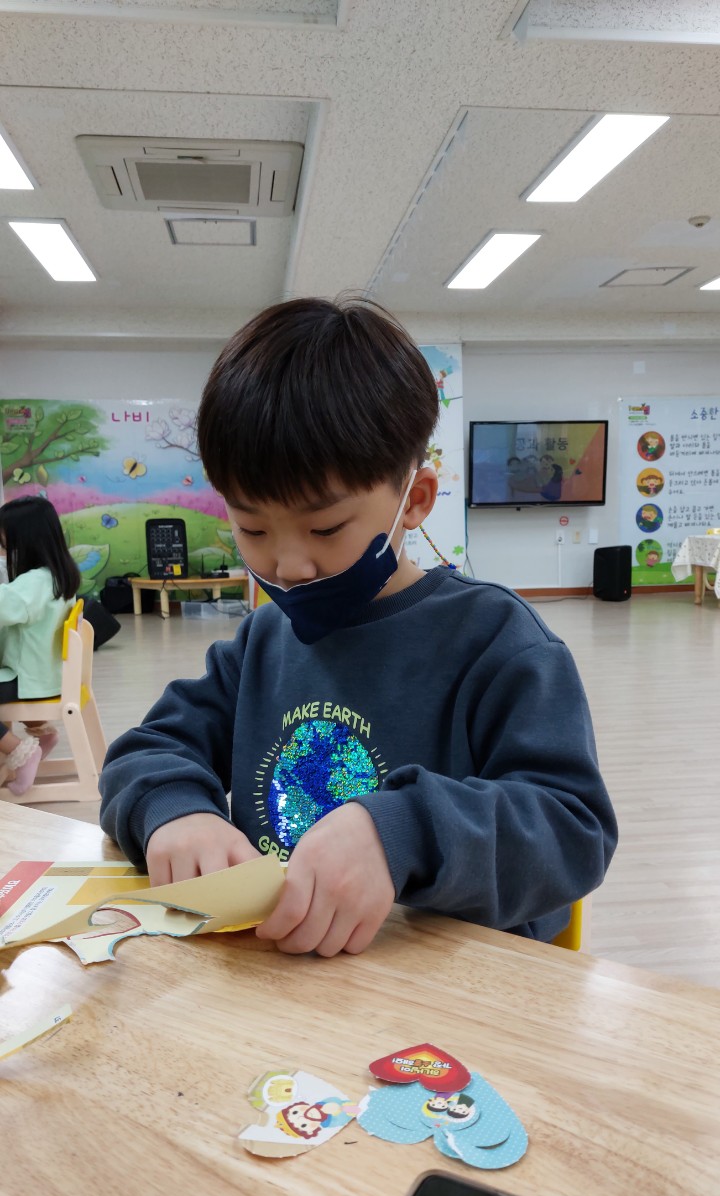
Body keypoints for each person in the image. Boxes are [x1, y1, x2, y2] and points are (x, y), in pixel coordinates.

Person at [99, 297, 617, 956]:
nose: (287, 566)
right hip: (278, 982)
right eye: (252, 528)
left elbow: (572, 831)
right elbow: (146, 751)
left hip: (446, 994)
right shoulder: (262, 643)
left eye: (325, 528)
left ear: (415, 500)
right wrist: (176, 810)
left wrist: (402, 830)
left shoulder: (497, 642)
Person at [0, 495, 80, 794]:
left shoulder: (34, 582)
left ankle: (20, 750)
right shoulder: (58, 574)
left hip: (28, 679)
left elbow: (4, 606)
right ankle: (41, 734)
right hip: (46, 674)